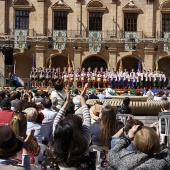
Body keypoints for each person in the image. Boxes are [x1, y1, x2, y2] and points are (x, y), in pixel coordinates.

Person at [48, 83, 91, 169]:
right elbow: (87, 118)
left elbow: (57, 119)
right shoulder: (84, 141)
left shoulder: (56, 135)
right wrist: (82, 98)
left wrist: (67, 101)